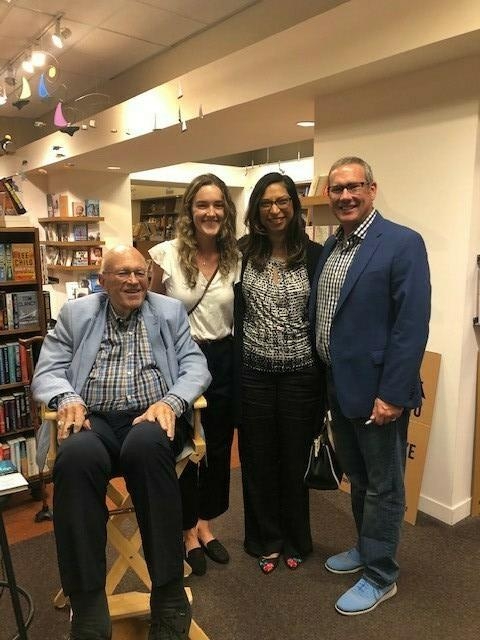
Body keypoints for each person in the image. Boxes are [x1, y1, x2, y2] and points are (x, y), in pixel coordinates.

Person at [31, 245, 211, 640]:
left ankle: (168, 595)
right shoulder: (77, 314)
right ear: (102, 280)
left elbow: (195, 364)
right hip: (93, 421)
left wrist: (172, 400)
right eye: (122, 273)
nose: (133, 281)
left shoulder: (167, 311)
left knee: (147, 448)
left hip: (149, 418)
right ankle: (89, 604)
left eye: (139, 273)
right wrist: (68, 398)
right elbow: (47, 371)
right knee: (75, 459)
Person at [310, 157, 430, 615]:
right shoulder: (332, 247)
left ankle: (381, 575)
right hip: (339, 387)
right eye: (336, 189)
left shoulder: (401, 243)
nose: (345, 196)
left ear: (372, 189)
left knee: (384, 486)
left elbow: (411, 325)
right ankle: (364, 546)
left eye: (353, 187)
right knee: (357, 479)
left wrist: (394, 395)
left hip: (380, 393)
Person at [149, 173, 239, 576]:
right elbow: (149, 314)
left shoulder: (236, 256)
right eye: (203, 205)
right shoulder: (163, 254)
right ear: (190, 210)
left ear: (227, 209)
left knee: (218, 444)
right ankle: (186, 530)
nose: (211, 212)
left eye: (218, 204)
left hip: (223, 357)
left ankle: (207, 524)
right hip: (180, 361)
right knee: (184, 446)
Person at [234, 171, 323, 574]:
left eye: (282, 201)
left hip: (301, 376)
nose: (275, 210)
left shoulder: (316, 254)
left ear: (294, 205)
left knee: (294, 460)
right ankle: (264, 539)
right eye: (266, 203)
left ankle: (296, 539)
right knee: (257, 459)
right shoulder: (240, 253)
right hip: (252, 374)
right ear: (256, 209)